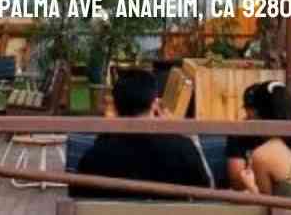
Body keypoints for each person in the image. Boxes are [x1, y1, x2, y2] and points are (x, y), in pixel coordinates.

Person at [72, 69, 212, 198]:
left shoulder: (95, 155)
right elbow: (205, 192)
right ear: (154, 104)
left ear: (115, 107)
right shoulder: (182, 149)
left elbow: (77, 196)